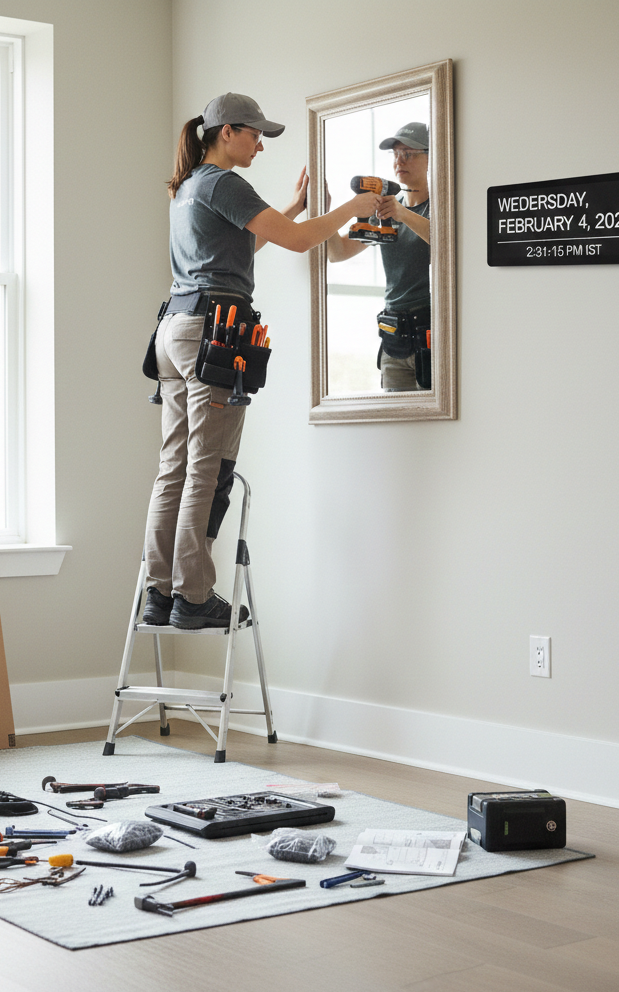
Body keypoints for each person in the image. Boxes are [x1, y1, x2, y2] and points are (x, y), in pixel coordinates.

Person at [143, 92, 383, 630]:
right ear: (226, 131)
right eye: (254, 134)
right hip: (213, 334)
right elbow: (299, 243)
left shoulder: (187, 188)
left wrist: (293, 209)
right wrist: (350, 210)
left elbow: (235, 251)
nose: (259, 145)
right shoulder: (223, 182)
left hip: (175, 330)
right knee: (208, 465)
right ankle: (195, 596)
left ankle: (160, 593)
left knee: (173, 467)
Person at [327, 122, 431, 391]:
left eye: (408, 153)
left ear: (433, 157)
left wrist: (402, 213)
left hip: (430, 333)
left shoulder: (440, 206)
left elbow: (446, 241)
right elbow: (337, 253)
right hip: (393, 336)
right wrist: (325, 213)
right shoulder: (387, 212)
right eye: (396, 154)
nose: (399, 160)